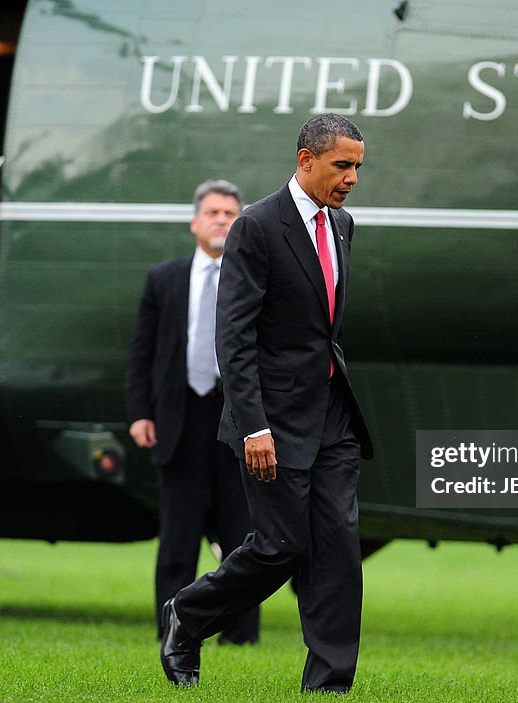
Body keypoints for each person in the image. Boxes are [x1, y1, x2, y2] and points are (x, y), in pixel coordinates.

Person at [159, 114, 374, 693]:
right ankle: (190, 616)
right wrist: (253, 426)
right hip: (272, 420)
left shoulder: (344, 224)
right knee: (282, 547)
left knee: (337, 551)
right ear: (306, 160)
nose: (352, 177)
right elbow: (234, 336)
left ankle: (329, 683)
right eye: (342, 165)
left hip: (331, 412)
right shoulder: (255, 225)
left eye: (358, 166)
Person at [127, 180, 259, 646]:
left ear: (241, 222)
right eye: (213, 212)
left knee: (241, 536)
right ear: (195, 222)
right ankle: (172, 630)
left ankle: (240, 635)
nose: (221, 220)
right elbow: (142, 353)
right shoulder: (163, 279)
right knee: (177, 541)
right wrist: (140, 413)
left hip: (239, 422)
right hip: (179, 420)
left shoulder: (255, 278)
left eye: (230, 213)